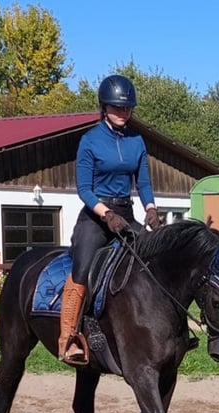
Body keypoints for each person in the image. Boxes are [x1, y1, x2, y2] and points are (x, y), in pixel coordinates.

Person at [58, 74, 162, 365]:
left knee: (155, 258)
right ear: (104, 107)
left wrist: (151, 209)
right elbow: (84, 189)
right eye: (117, 107)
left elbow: (142, 183)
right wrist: (107, 214)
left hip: (126, 214)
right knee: (83, 266)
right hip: (96, 217)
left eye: (127, 108)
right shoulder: (90, 141)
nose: (123, 112)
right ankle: (69, 337)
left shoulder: (137, 141)